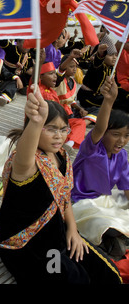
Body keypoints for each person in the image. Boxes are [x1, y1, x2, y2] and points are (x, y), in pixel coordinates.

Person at [0, 84, 122, 284]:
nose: (58, 136)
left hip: (58, 231)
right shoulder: (25, 163)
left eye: (63, 129)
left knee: (109, 273)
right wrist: (36, 122)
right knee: (76, 280)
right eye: (51, 129)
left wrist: (73, 230)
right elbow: (24, 155)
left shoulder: (62, 156)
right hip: (26, 243)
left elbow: (64, 199)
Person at [71, 76, 129, 260]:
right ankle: (111, 237)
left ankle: (115, 237)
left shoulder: (122, 156)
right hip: (80, 202)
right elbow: (99, 129)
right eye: (116, 134)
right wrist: (108, 101)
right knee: (102, 223)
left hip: (104, 200)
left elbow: (126, 188)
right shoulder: (92, 148)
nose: (121, 141)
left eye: (126, 136)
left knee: (119, 212)